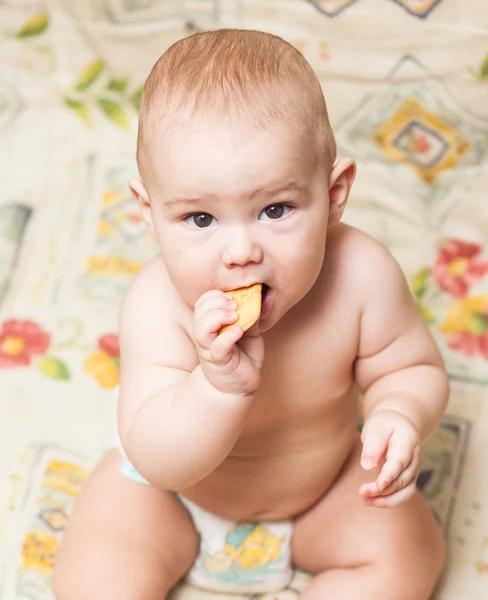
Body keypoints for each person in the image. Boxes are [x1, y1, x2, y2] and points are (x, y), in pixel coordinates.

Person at [53, 29, 448, 600]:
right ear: (149, 212)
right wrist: (217, 389)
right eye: (200, 219)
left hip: (323, 496)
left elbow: (412, 369)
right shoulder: (156, 303)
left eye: (275, 208)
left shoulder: (362, 276)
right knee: (94, 574)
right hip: (175, 502)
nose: (240, 252)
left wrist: (401, 413)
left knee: (412, 550)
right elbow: (159, 461)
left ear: (334, 194)